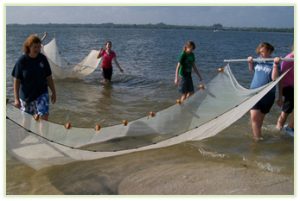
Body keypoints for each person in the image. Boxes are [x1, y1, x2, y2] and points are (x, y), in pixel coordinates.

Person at [12, 34, 56, 121]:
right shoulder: (22, 61)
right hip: (26, 96)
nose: (37, 49)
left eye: (39, 47)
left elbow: (49, 77)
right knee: (26, 122)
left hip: (42, 93)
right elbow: (16, 81)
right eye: (35, 47)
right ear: (29, 47)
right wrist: (16, 99)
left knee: (44, 118)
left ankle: (41, 135)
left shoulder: (43, 59)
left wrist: (53, 92)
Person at [248, 42, 280, 141]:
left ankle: (258, 135)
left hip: (268, 95)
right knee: (254, 117)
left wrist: (275, 64)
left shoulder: (274, 62)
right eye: (259, 52)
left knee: (260, 119)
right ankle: (257, 139)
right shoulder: (258, 60)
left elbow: (274, 79)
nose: (260, 54)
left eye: (263, 52)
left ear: (269, 51)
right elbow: (251, 70)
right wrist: (250, 62)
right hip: (254, 93)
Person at [276, 46, 294, 135]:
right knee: (286, 110)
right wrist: (280, 96)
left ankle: (291, 127)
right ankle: (278, 128)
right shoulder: (288, 59)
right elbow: (281, 79)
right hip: (288, 87)